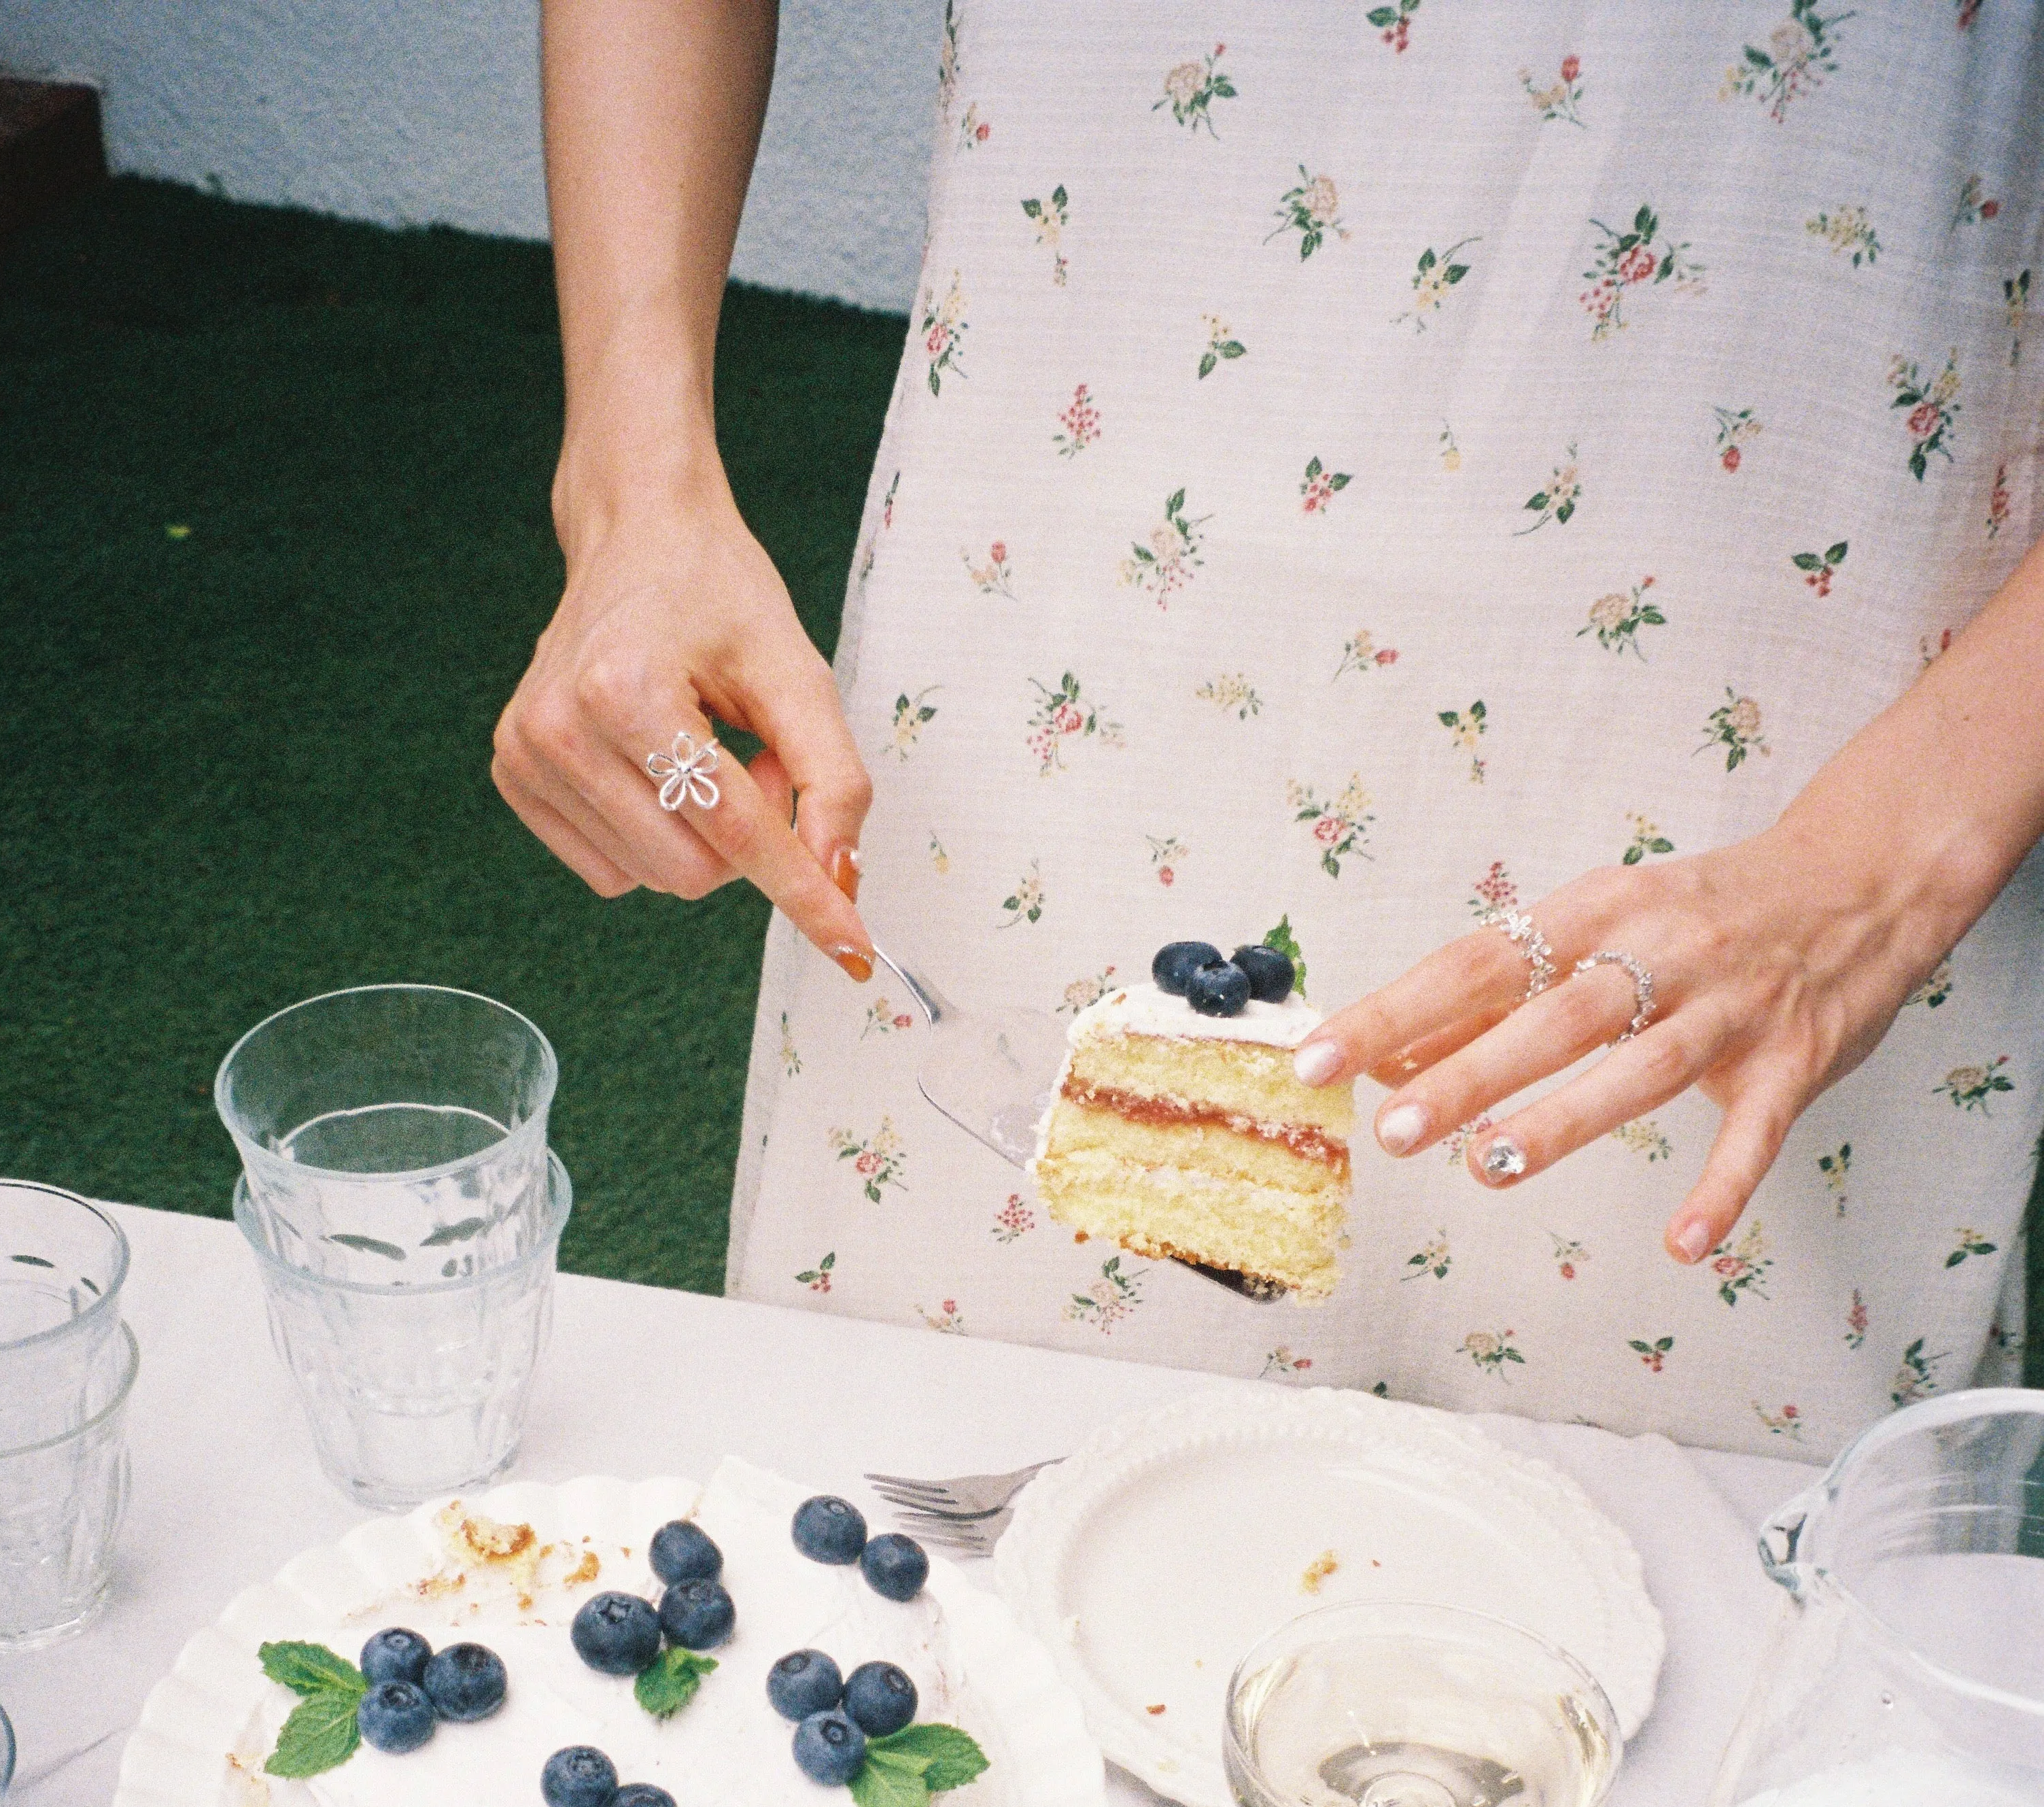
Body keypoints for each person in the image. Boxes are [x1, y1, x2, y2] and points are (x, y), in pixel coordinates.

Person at [495, 1, 2044, 1459]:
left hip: (1803, 725)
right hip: (1059, 608)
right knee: (932, 1552)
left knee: (1701, 1620)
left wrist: (1886, 861)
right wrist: (629, 487)